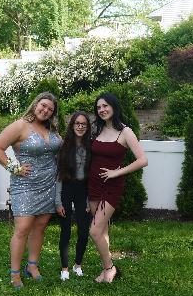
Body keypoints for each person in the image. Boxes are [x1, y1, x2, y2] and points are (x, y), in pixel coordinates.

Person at [0, 92, 62, 289]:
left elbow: (60, 149)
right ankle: (15, 273)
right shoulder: (20, 125)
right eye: (43, 105)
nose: (45, 110)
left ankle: (32, 265)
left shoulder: (51, 129)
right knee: (23, 228)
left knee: (40, 226)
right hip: (25, 184)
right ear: (36, 104)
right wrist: (15, 168)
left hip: (48, 184)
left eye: (50, 109)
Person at [88, 92, 148, 283]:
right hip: (93, 185)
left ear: (114, 106)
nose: (102, 110)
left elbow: (143, 160)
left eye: (105, 106)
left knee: (94, 231)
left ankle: (110, 268)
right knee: (102, 230)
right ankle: (106, 270)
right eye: (98, 107)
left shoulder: (125, 132)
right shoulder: (97, 130)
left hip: (111, 187)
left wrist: (117, 172)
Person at [55, 111, 92, 281]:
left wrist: (89, 199)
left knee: (83, 232)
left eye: (84, 124)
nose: (80, 126)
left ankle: (77, 265)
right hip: (66, 189)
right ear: (72, 125)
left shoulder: (91, 147)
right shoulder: (64, 146)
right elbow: (59, 175)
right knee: (66, 231)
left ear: (87, 127)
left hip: (83, 191)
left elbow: (92, 177)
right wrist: (58, 201)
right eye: (77, 123)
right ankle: (64, 268)